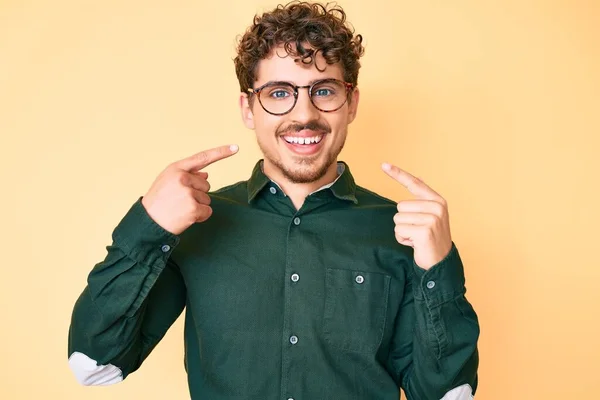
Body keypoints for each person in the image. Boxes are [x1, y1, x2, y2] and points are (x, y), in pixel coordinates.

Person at [67, 2, 480, 399]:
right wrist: (147, 226)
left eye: (324, 90)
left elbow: (446, 395)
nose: (304, 114)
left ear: (350, 104)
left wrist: (438, 269)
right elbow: (95, 364)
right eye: (280, 93)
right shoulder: (197, 224)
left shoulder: (402, 232)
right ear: (249, 108)